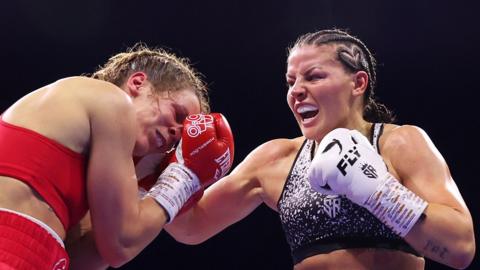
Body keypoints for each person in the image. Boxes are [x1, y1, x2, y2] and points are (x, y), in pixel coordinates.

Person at [165, 29, 475, 269]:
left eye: (314, 76)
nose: (296, 91)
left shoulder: (400, 143)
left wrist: (380, 192)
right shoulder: (275, 159)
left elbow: (460, 248)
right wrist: (165, 164)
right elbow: (190, 227)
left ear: (358, 83)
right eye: (290, 81)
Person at [0, 44, 235, 270]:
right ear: (138, 83)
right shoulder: (111, 100)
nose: (176, 132)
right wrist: (184, 178)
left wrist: (145, 192)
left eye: (180, 136)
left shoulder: (84, 168)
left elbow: (83, 260)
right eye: (177, 113)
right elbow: (122, 244)